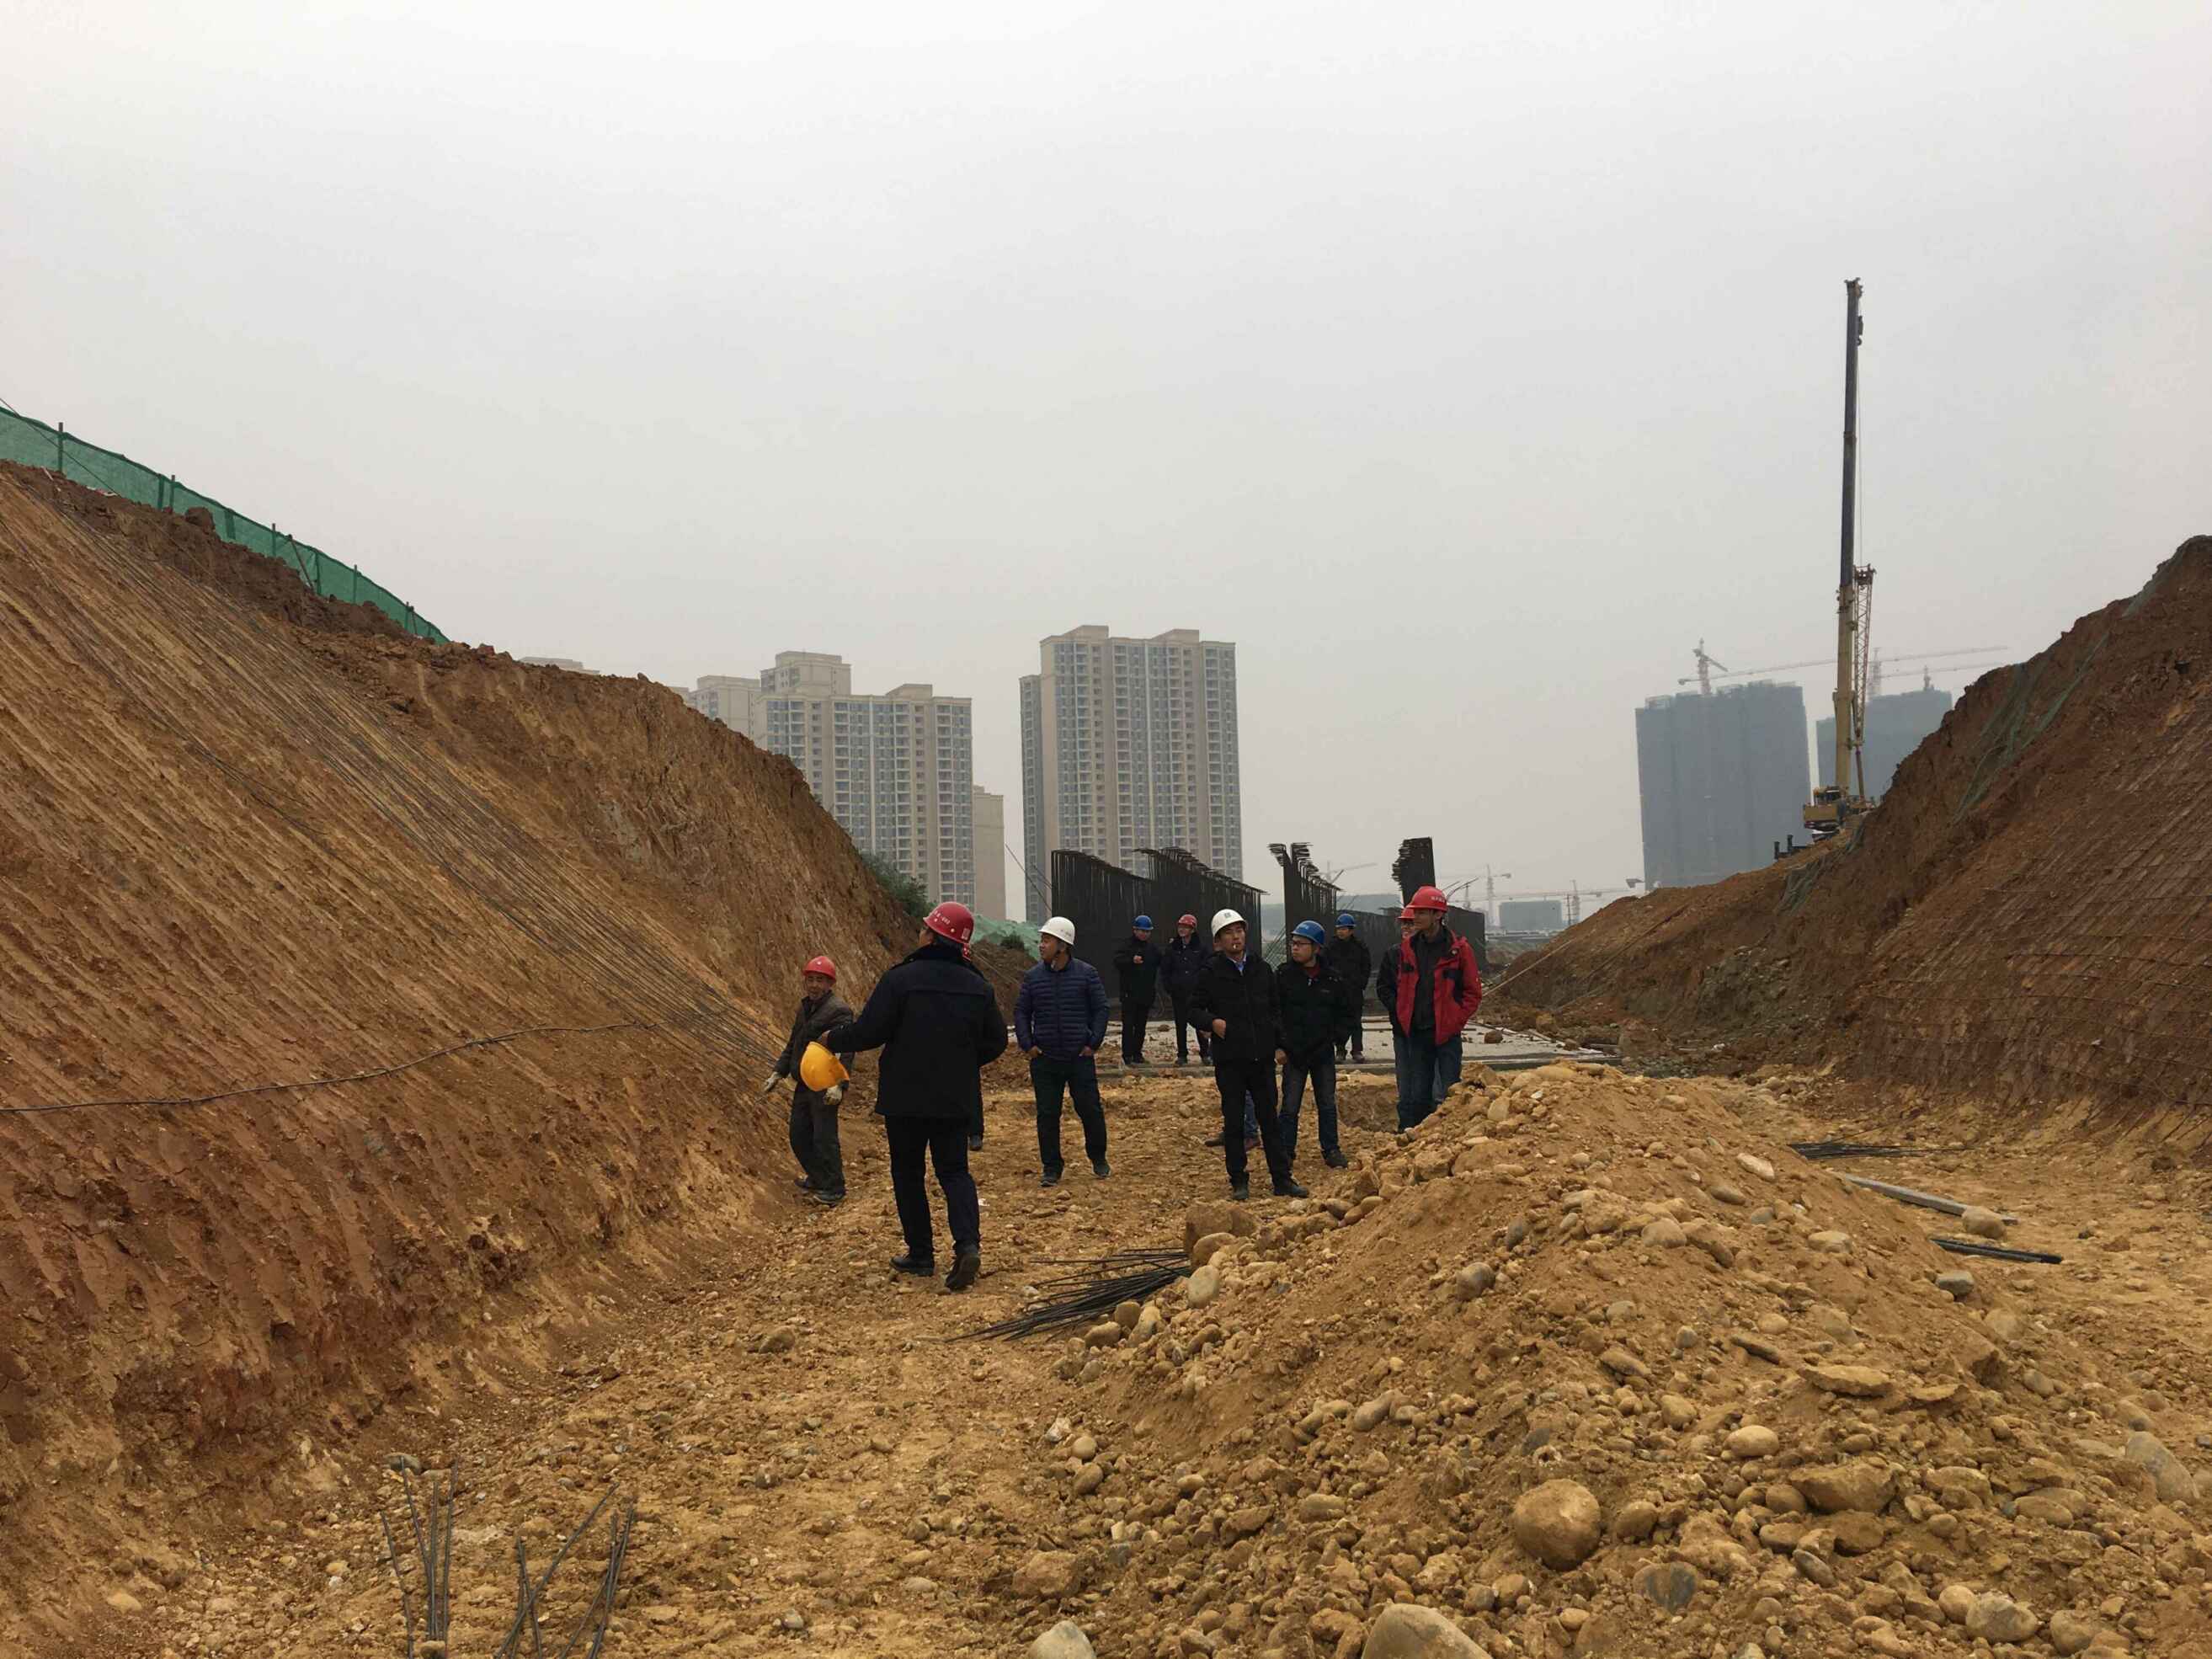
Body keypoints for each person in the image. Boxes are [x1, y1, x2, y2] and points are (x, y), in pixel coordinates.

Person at [822, 901, 1007, 1291]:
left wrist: (831, 1040)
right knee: (954, 1171)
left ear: (932, 937)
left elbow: (870, 1031)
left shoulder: (901, 979)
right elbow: (995, 1042)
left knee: (908, 1173)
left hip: (905, 1097)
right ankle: (967, 1245)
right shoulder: (979, 986)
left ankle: (921, 1255)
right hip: (954, 1098)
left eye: (924, 929)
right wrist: (962, 1062)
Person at [1189, 909, 1307, 1202]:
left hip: (1261, 1058)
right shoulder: (1210, 972)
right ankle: (1239, 1180)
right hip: (1230, 1059)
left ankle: (1282, 1178)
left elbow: (1275, 1010)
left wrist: (1280, 1045)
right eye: (1229, 933)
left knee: (1270, 1120)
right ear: (1218, 940)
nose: (1236, 937)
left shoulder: (1261, 969)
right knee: (1234, 1122)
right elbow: (1193, 1009)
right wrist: (1212, 1023)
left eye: (1239, 931)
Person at [1377, 884, 1483, 1131]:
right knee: (1418, 1096)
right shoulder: (1407, 950)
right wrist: (1404, 1015)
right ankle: (1418, 1143)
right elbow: (1395, 988)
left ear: (1438, 915)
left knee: (1449, 1093)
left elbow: (1472, 992)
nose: (1416, 917)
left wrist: (1454, 1021)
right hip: (1417, 1034)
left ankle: (1448, 1139)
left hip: (1446, 1036)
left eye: (1422, 912)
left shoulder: (1459, 950)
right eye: (1415, 912)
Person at [1015, 916, 1111, 1187]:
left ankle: (1098, 1158)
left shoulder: (1087, 974)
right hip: (1045, 1059)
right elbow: (1021, 1012)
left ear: (1063, 945)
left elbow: (1101, 1009)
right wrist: (1028, 1044)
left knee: (1090, 1110)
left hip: (1078, 1058)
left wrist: (1093, 1043)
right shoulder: (1033, 977)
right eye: (1042, 940)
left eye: (1047, 940)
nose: (1041, 945)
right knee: (1047, 1115)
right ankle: (1051, 1168)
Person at [763, 954, 855, 1205]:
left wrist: (839, 1085)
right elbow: (794, 1043)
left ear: (830, 983)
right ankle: (818, 1178)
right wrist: (778, 1072)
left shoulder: (839, 1011)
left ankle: (835, 1188)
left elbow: (846, 1049)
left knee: (824, 1137)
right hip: (805, 1081)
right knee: (799, 1135)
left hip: (825, 1083)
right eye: (811, 979)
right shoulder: (805, 1007)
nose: (814, 985)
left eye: (820, 980)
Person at [1277, 920, 1357, 1168]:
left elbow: (1346, 1013)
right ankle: (1285, 1152)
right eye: (1293, 943)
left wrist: (1337, 1039)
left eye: (1301, 944)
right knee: (1290, 1106)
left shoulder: (1332, 979)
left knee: (1327, 1104)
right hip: (1294, 1054)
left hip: (1322, 1054)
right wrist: (1280, 1045)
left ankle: (1331, 1150)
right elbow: (1274, 1012)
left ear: (1316, 948)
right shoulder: (1284, 976)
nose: (1295, 948)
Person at [1111, 915, 1159, 1065]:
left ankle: (1137, 1054)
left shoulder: (1152, 948)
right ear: (1135, 930)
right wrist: (1131, 961)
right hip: (1129, 994)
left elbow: (1162, 960)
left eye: (1147, 931)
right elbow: (1117, 961)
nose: (1145, 934)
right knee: (1128, 1025)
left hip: (1145, 994)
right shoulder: (1126, 946)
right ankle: (1127, 1055)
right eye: (1142, 931)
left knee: (1140, 1026)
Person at [1164, 914, 1213, 1065]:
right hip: (1178, 993)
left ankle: (1205, 1053)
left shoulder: (1201, 948)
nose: (1182, 930)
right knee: (1180, 1024)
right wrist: (1169, 987)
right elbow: (1166, 969)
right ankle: (1182, 1055)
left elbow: (1207, 968)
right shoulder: (1173, 948)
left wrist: (1202, 986)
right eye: (1180, 927)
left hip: (1196, 994)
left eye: (1185, 927)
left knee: (1200, 1023)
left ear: (1192, 929)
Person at [1325, 913, 1373, 1062]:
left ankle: (1357, 1050)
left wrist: (1361, 983)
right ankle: (1340, 1050)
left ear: (1351, 930)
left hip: (1354, 990)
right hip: (1337, 990)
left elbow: (1366, 966)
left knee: (1356, 1021)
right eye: (1339, 928)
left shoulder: (1360, 946)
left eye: (1344, 929)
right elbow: (1325, 965)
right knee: (1338, 1021)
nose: (1340, 931)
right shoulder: (1331, 947)